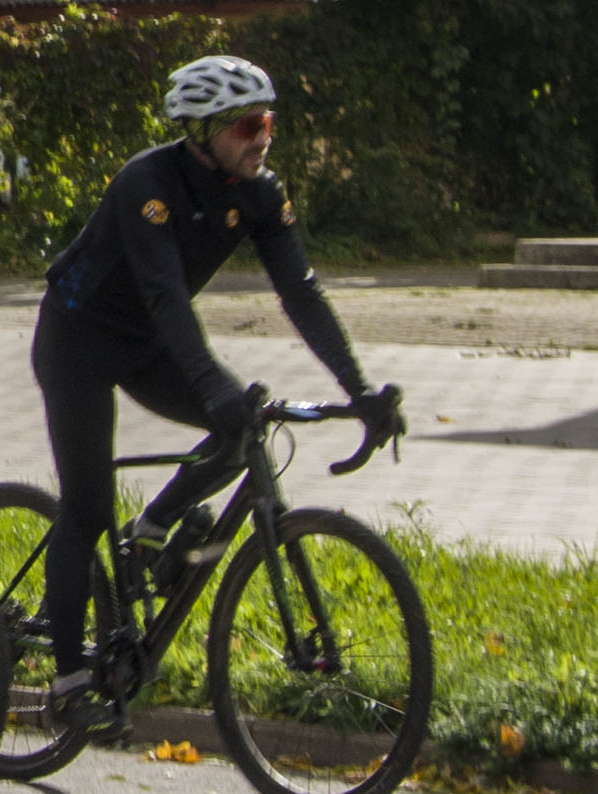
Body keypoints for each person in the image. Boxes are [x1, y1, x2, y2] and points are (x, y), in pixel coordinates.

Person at [31, 53, 399, 689]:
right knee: (87, 511)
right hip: (77, 342)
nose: (262, 139)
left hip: (148, 343)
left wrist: (359, 389)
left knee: (241, 428)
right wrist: (211, 384)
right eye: (246, 126)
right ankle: (68, 683)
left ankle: (150, 531)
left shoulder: (259, 192)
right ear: (202, 131)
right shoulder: (146, 183)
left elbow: (302, 294)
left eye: (267, 124)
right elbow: (165, 295)